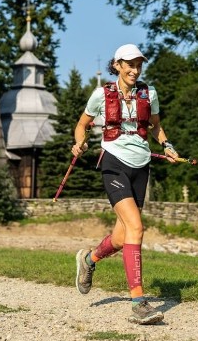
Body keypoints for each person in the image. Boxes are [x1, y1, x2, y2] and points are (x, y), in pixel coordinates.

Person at [71, 43, 179, 325]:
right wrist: (79, 142)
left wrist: (166, 145)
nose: (135, 69)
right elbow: (82, 124)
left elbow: (155, 126)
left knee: (121, 238)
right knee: (136, 227)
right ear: (117, 65)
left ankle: (89, 260)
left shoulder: (148, 93)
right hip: (114, 164)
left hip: (141, 166)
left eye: (138, 64)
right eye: (129, 64)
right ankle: (139, 302)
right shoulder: (101, 95)